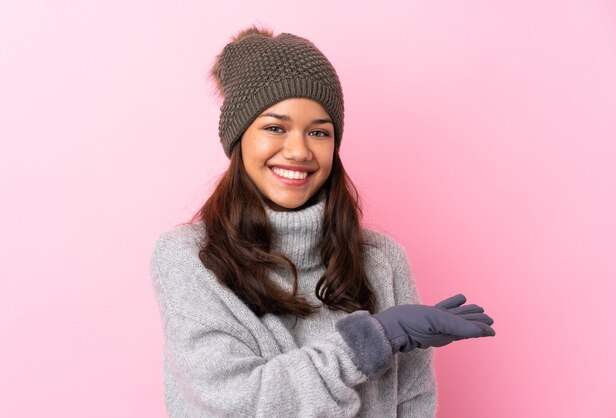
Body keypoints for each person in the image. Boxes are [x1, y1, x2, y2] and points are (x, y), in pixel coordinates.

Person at [149, 25, 496, 418]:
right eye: (275, 128)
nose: (298, 151)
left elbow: (413, 402)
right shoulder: (190, 259)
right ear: (239, 139)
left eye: (318, 132)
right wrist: (372, 339)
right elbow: (236, 404)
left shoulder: (382, 261)